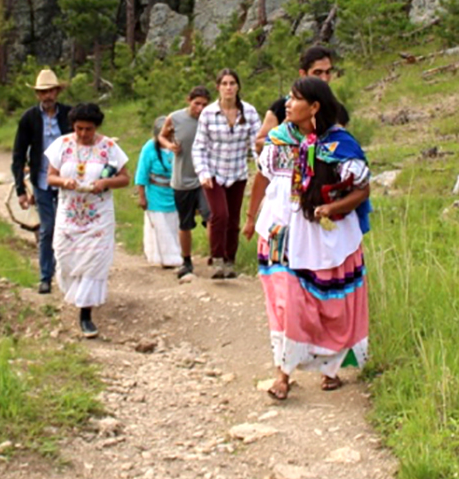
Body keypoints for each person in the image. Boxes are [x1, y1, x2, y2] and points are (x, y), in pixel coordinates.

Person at [242, 76, 371, 401]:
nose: (287, 103)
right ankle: (282, 372)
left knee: (329, 303)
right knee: (287, 303)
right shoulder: (278, 141)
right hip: (281, 234)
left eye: (295, 98)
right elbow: (263, 177)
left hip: (324, 236)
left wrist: (332, 207)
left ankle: (330, 368)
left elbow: (361, 189)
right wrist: (250, 216)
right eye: (288, 97)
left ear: (314, 106)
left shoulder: (338, 145)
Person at [45, 102, 131, 338]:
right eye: (79, 129)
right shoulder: (61, 145)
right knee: (65, 257)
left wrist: (105, 183)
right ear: (73, 126)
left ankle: (86, 314)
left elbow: (125, 178)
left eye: (89, 129)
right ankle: (74, 295)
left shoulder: (110, 148)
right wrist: (65, 182)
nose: (83, 134)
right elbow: (50, 177)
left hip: (98, 217)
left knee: (94, 261)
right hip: (69, 214)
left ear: (96, 128)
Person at [191, 68, 260, 279]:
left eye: (232, 83)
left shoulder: (248, 112)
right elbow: (199, 146)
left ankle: (230, 260)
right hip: (214, 173)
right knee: (219, 215)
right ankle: (217, 258)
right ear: (218, 87)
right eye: (224, 84)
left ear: (238, 86)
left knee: (233, 220)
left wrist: (261, 166)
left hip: (237, 172)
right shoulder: (209, 113)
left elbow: (256, 143)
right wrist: (203, 172)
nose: (229, 87)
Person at [11, 69, 72, 295]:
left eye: (51, 91)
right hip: (42, 181)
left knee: (70, 228)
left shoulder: (68, 114)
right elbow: (19, 155)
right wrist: (20, 188)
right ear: (37, 95)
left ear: (57, 92)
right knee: (48, 228)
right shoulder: (29, 119)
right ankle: (46, 275)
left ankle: (69, 273)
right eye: (43, 92)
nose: (47, 96)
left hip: (68, 181)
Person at [158, 86, 212, 279]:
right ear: (189, 100)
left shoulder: (211, 118)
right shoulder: (175, 118)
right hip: (182, 177)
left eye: (204, 105)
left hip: (204, 177)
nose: (200, 108)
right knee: (185, 223)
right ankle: (187, 260)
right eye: (197, 103)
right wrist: (169, 145)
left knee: (211, 216)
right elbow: (162, 136)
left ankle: (215, 256)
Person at [255, 46, 335, 153]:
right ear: (303, 74)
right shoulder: (281, 107)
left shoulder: (334, 107)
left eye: (328, 72)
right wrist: (285, 131)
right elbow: (259, 144)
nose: (324, 79)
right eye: (317, 73)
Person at [135, 115, 182, 268]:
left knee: (175, 225)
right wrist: (142, 196)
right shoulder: (149, 148)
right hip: (156, 193)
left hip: (174, 192)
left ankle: (176, 255)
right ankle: (166, 259)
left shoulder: (177, 146)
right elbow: (142, 173)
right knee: (161, 225)